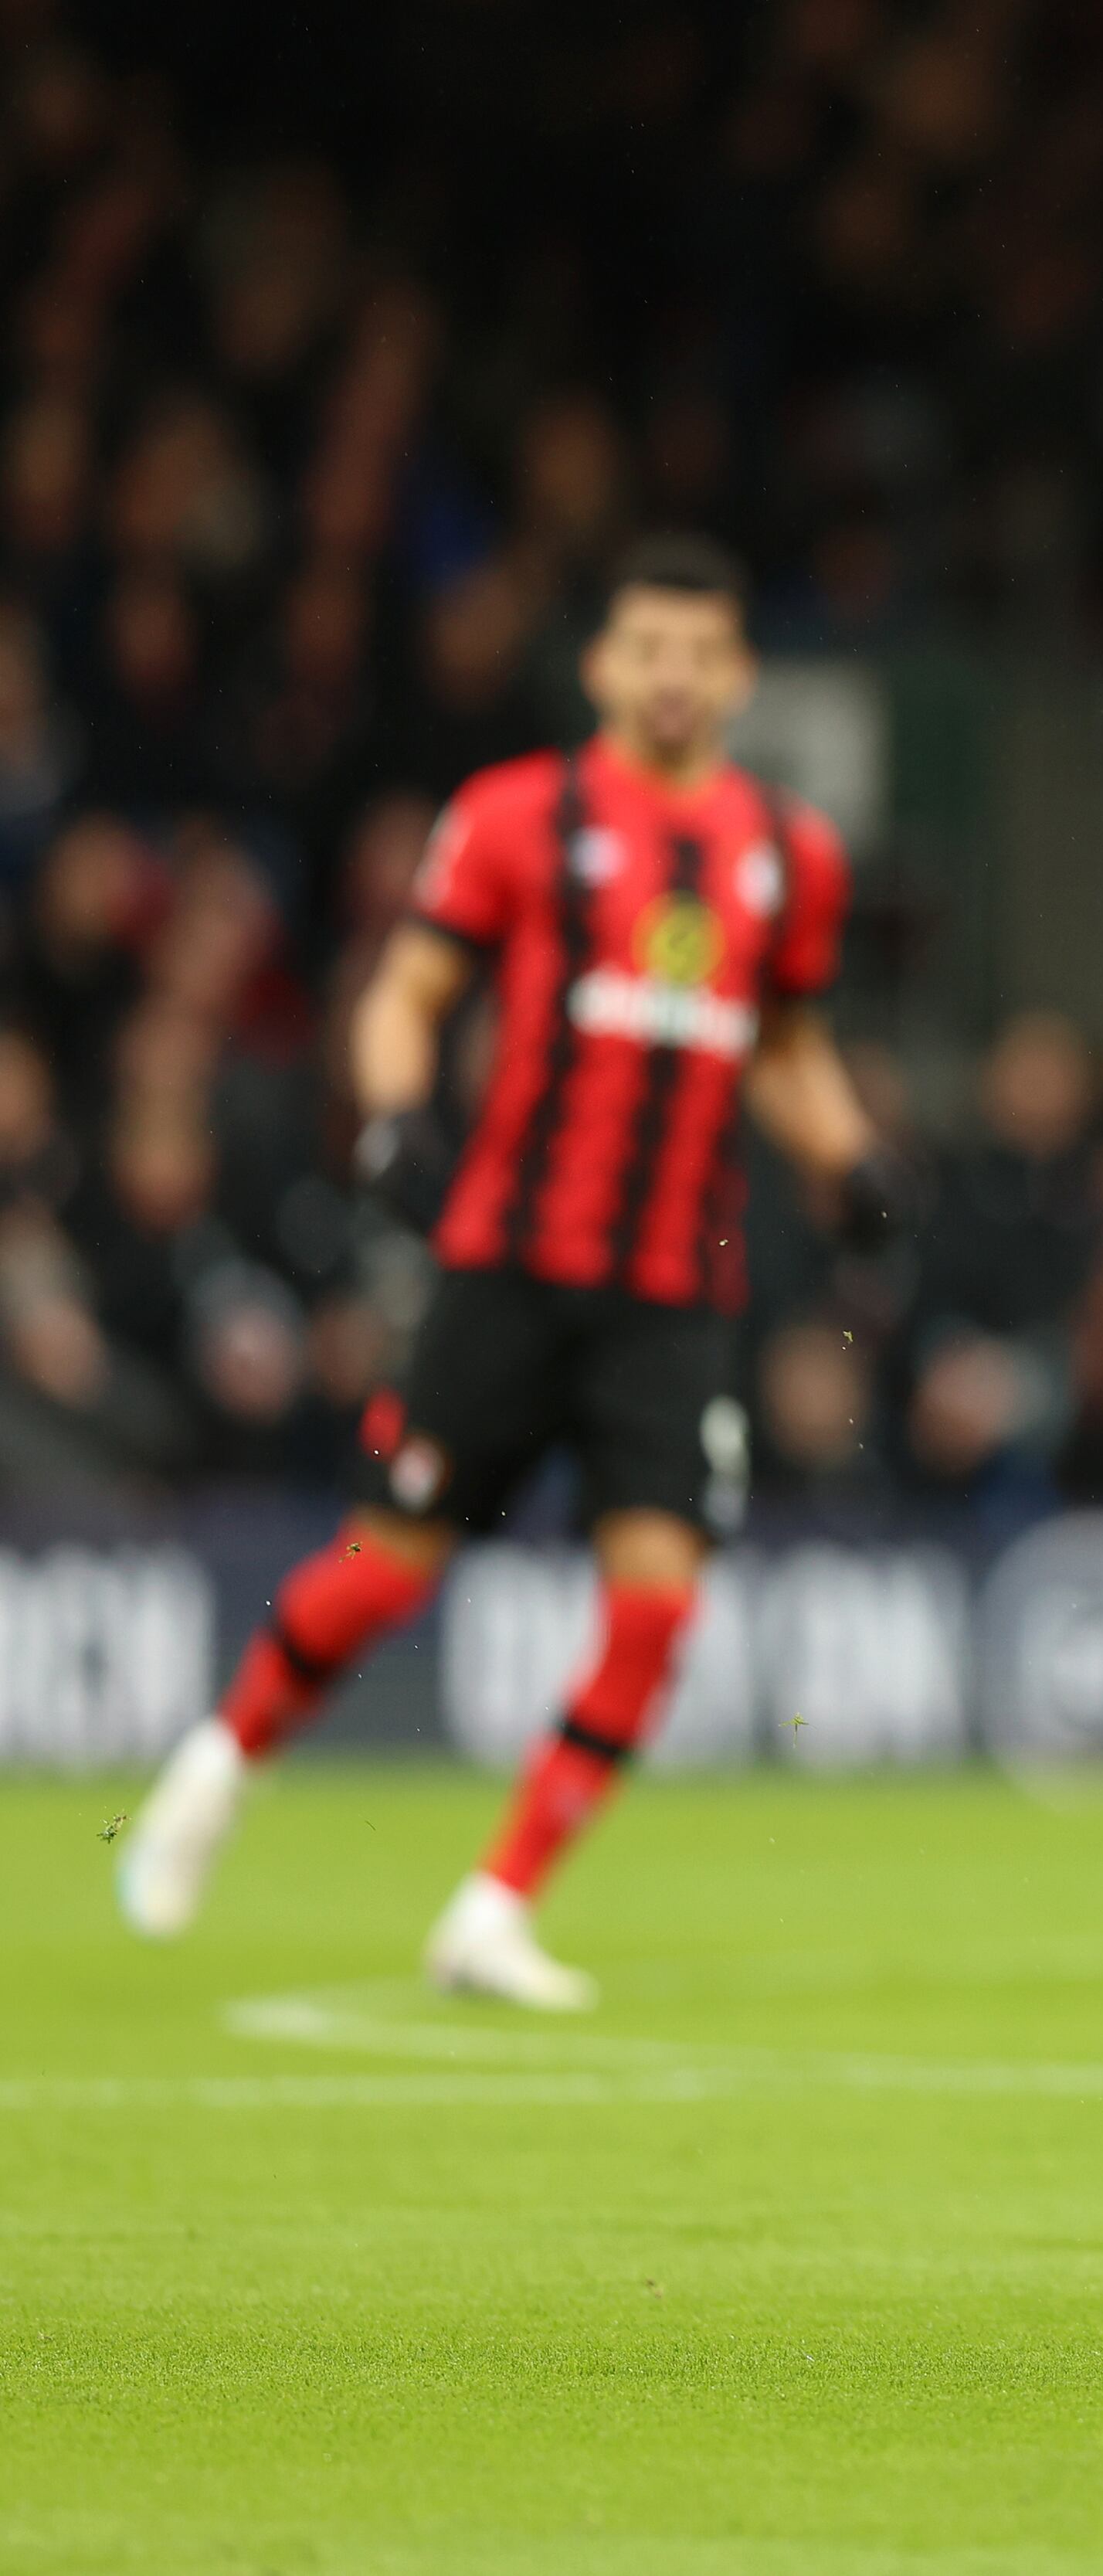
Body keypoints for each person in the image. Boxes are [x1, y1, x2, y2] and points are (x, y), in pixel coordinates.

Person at [114, 536, 901, 2007]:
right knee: (380, 1575)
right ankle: (217, 1770)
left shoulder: (789, 855)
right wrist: (398, 1115)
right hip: (508, 1267)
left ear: (738, 674)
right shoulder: (519, 817)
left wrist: (849, 1161)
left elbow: (784, 1041)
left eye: (701, 652)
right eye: (646, 648)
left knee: (658, 1607)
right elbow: (408, 990)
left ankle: (493, 1904)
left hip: (673, 1288)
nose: (673, 676)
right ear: (603, 665)